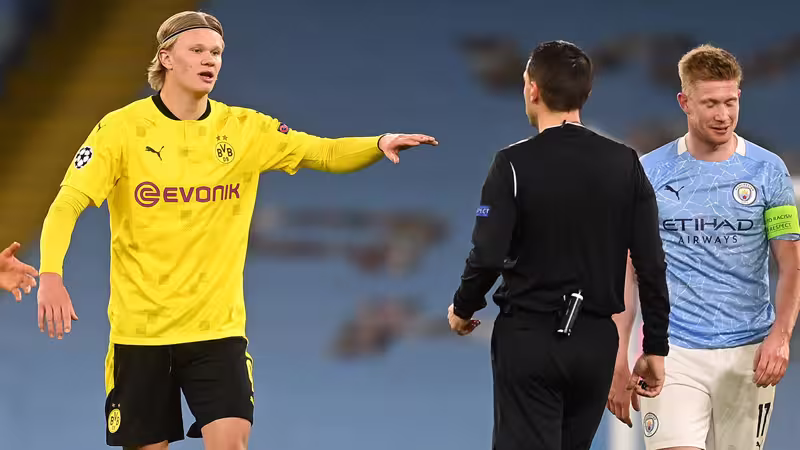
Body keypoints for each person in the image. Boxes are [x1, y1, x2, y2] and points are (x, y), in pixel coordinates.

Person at [36, 10, 437, 450]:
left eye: (216, 52)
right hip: (140, 333)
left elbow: (320, 152)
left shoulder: (245, 129)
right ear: (166, 58)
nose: (210, 60)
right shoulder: (120, 130)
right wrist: (51, 275)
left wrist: (378, 143)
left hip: (218, 330)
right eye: (197, 50)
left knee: (232, 442)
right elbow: (67, 203)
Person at [446, 40, 671, 450]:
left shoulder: (512, 164)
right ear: (586, 93)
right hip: (595, 343)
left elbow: (488, 254)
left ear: (532, 89)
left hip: (530, 336)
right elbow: (651, 263)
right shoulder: (625, 163)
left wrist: (463, 309)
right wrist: (655, 346)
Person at [607, 45, 800, 450]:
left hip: (748, 354)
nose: (723, 115)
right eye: (710, 103)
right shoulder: (649, 173)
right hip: (669, 351)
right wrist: (618, 355)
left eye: (730, 102)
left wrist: (781, 336)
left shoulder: (769, 171)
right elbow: (626, 270)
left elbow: (791, 262)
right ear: (685, 102)